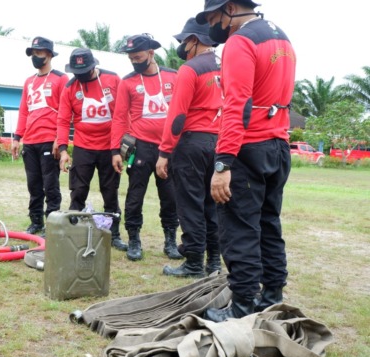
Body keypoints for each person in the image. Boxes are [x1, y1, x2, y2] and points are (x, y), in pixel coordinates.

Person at [195, 0, 296, 321]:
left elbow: (237, 104)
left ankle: (240, 308)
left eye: (214, 16)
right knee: (268, 224)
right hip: (278, 145)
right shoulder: (281, 38)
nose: (212, 23)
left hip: (248, 148)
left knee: (239, 229)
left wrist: (223, 163)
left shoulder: (241, 41)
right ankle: (271, 295)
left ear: (231, 8)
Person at [156, 18, 222, 278]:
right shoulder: (227, 66)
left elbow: (177, 116)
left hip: (193, 143)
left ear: (194, 40)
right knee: (214, 204)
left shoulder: (190, 68)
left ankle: (194, 262)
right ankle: (214, 261)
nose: (182, 46)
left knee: (190, 204)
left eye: (184, 41)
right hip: (222, 143)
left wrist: (164, 152)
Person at [111, 34, 182, 262]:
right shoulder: (128, 82)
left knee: (170, 196)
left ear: (151, 53)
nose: (134, 61)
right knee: (135, 195)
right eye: (131, 58)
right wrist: (115, 151)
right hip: (140, 148)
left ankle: (170, 240)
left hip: (169, 149)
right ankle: (134, 239)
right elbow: (120, 118)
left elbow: (183, 112)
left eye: (138, 57)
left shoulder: (174, 76)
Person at [57, 48, 128, 251]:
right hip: (83, 147)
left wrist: (122, 147)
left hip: (110, 148)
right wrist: (63, 150)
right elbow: (62, 121)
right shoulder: (70, 88)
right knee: (78, 190)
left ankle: (113, 234)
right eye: (76, 72)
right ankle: (72, 229)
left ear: (93, 66)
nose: (80, 76)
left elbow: (123, 114)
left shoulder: (113, 80)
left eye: (84, 71)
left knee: (110, 192)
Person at [12, 37, 69, 235]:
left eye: (39, 53)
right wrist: (17, 137)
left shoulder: (61, 79)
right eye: (33, 54)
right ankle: (36, 221)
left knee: (50, 186)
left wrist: (59, 141)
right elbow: (23, 111)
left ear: (49, 54)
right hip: (30, 142)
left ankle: (52, 223)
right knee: (33, 185)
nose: (36, 57)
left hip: (49, 141)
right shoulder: (29, 82)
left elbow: (65, 112)